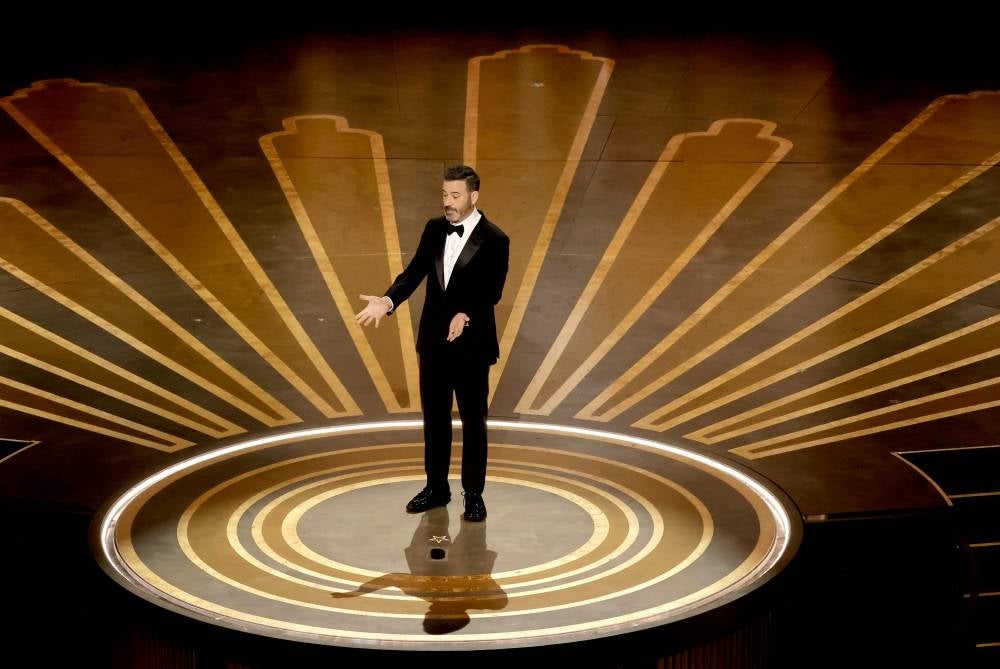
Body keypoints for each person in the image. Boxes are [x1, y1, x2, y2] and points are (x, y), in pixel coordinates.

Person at [355, 165, 509, 522]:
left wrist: (465, 312)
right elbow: (413, 273)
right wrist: (388, 301)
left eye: (455, 196)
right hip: (435, 343)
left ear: (474, 196)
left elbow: (493, 291)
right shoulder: (434, 229)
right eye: (444, 195)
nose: (448, 202)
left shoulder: (496, 239)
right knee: (435, 420)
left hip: (472, 347)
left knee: (474, 421)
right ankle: (436, 487)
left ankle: (473, 494)